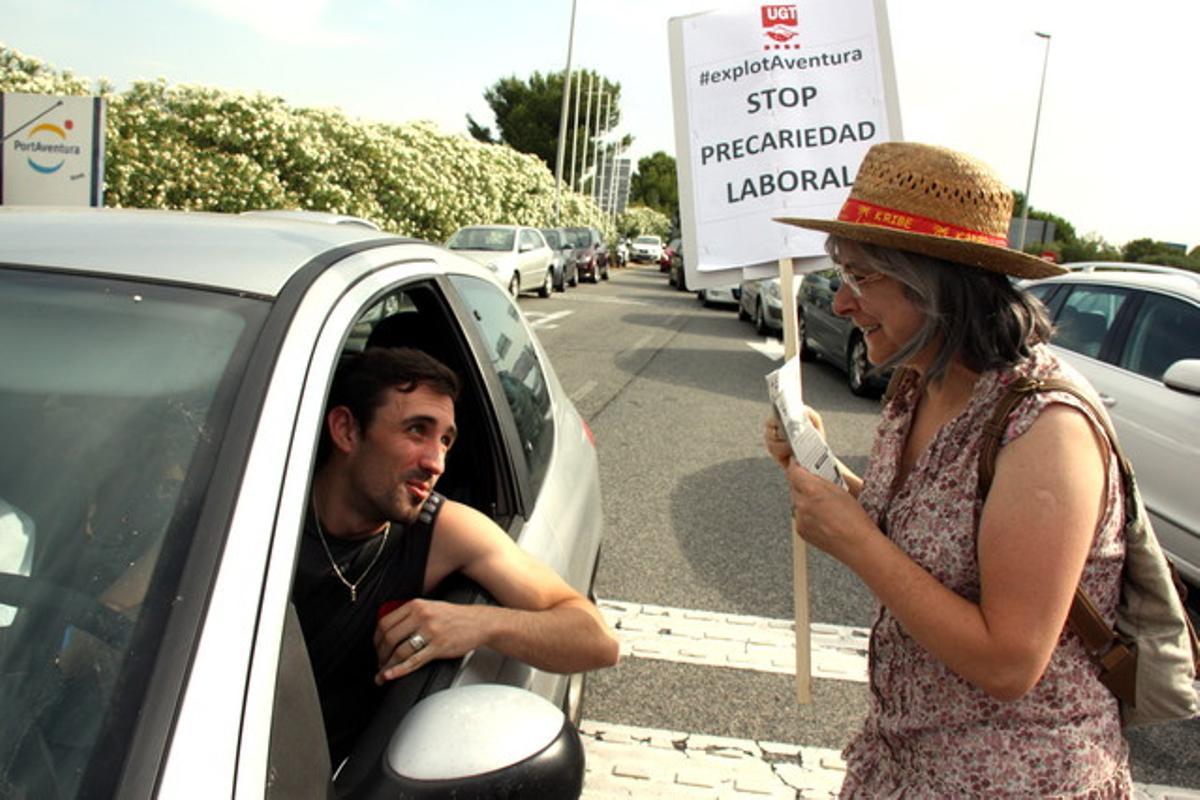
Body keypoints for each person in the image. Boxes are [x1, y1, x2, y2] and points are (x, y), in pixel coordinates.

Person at [765, 142, 1131, 797]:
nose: (842, 304)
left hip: (1017, 778)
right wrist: (824, 473)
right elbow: (925, 530)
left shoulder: (1044, 426)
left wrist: (853, 541)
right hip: (906, 761)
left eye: (862, 278)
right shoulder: (917, 382)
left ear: (936, 285)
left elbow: (1009, 659)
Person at [293, 347, 619, 762]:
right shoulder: (256, 513)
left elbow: (597, 640)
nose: (437, 462)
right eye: (417, 430)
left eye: (445, 440)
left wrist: (480, 623)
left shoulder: (441, 531)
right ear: (346, 430)